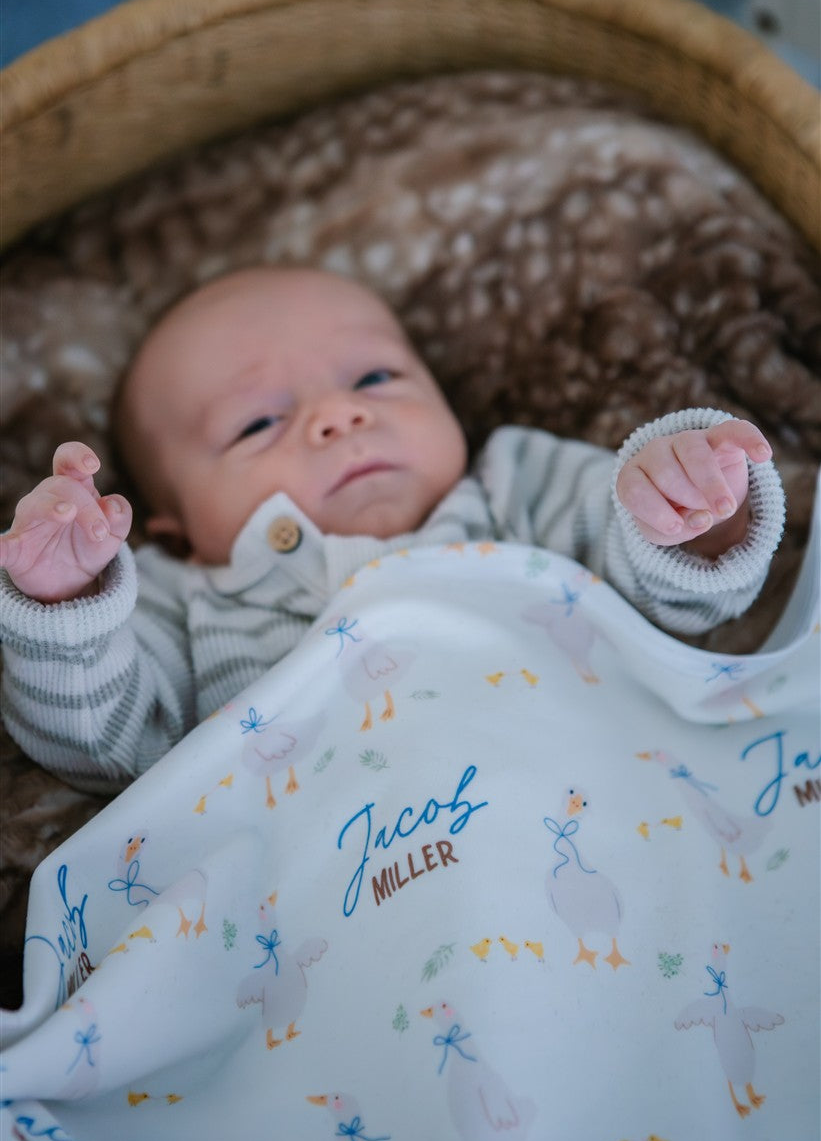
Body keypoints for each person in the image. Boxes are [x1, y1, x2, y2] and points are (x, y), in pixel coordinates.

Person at [0, 266, 785, 792]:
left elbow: (682, 604)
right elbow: (102, 748)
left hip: (608, 801)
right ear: (176, 532)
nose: (339, 414)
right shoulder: (181, 601)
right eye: (258, 423)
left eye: (374, 377)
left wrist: (690, 507)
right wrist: (67, 603)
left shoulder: (515, 487)